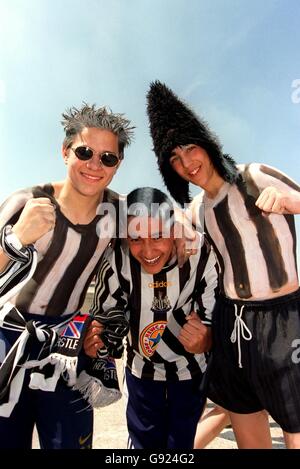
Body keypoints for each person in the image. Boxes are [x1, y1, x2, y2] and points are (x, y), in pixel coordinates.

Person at [146, 81, 300, 449]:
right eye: (175, 160)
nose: (187, 164)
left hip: (285, 316)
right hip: (234, 322)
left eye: (190, 149)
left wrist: (290, 202)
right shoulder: (197, 210)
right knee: (245, 421)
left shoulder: (254, 175)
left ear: (206, 142)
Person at [0, 103, 134, 449]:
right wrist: (16, 240)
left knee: (71, 443)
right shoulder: (25, 201)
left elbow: (171, 229)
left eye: (108, 158)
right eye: (85, 152)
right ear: (65, 151)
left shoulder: (119, 213)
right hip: (8, 338)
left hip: (68, 344)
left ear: (118, 165)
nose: (95, 165)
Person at [84, 186, 219, 449]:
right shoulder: (116, 263)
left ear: (173, 230)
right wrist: (96, 339)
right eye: (136, 239)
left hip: (190, 370)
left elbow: (213, 314)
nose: (147, 251)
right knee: (143, 444)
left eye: (157, 236)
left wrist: (207, 337)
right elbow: (103, 319)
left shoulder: (200, 253)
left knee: (180, 445)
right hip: (141, 372)